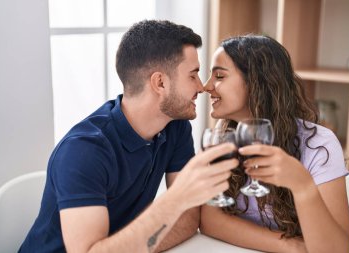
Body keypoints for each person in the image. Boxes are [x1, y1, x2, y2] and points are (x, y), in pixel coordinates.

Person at [19, 20, 238, 253]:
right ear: (160, 82)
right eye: (193, 75)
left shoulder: (175, 126)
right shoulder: (83, 151)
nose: (202, 87)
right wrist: (174, 201)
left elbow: (188, 217)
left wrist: (135, 245)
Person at [201, 34, 349, 253]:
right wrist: (291, 246)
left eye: (219, 76)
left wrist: (302, 186)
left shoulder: (319, 144)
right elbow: (210, 221)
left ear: (256, 82)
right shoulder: (223, 137)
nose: (206, 86)